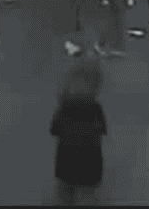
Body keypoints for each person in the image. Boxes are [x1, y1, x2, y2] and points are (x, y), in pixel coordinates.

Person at [49, 60, 107, 206]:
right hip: (90, 161)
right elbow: (101, 129)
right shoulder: (95, 108)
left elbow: (54, 129)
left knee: (65, 194)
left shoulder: (64, 107)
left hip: (67, 160)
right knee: (87, 195)